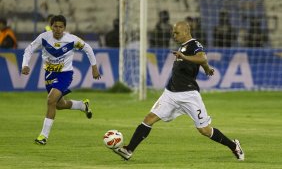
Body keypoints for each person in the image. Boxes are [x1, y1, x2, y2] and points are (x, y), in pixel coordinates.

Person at [113, 21, 245, 161]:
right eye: (173, 33)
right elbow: (203, 62)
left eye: (176, 33)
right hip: (170, 93)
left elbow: (202, 57)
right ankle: (129, 150)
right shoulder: (183, 47)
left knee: (204, 130)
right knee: (149, 118)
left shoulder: (194, 44)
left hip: (189, 95)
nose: (173, 36)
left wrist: (186, 57)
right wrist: (206, 68)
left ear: (186, 32)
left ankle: (234, 146)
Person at [21, 15, 101, 145]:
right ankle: (82, 105)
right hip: (49, 75)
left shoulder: (71, 39)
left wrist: (94, 68)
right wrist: (25, 64)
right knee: (58, 104)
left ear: (64, 28)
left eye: (61, 27)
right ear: (51, 26)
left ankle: (43, 136)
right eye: (55, 26)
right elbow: (29, 50)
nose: (58, 29)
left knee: (50, 100)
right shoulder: (43, 37)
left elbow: (88, 48)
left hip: (65, 74)